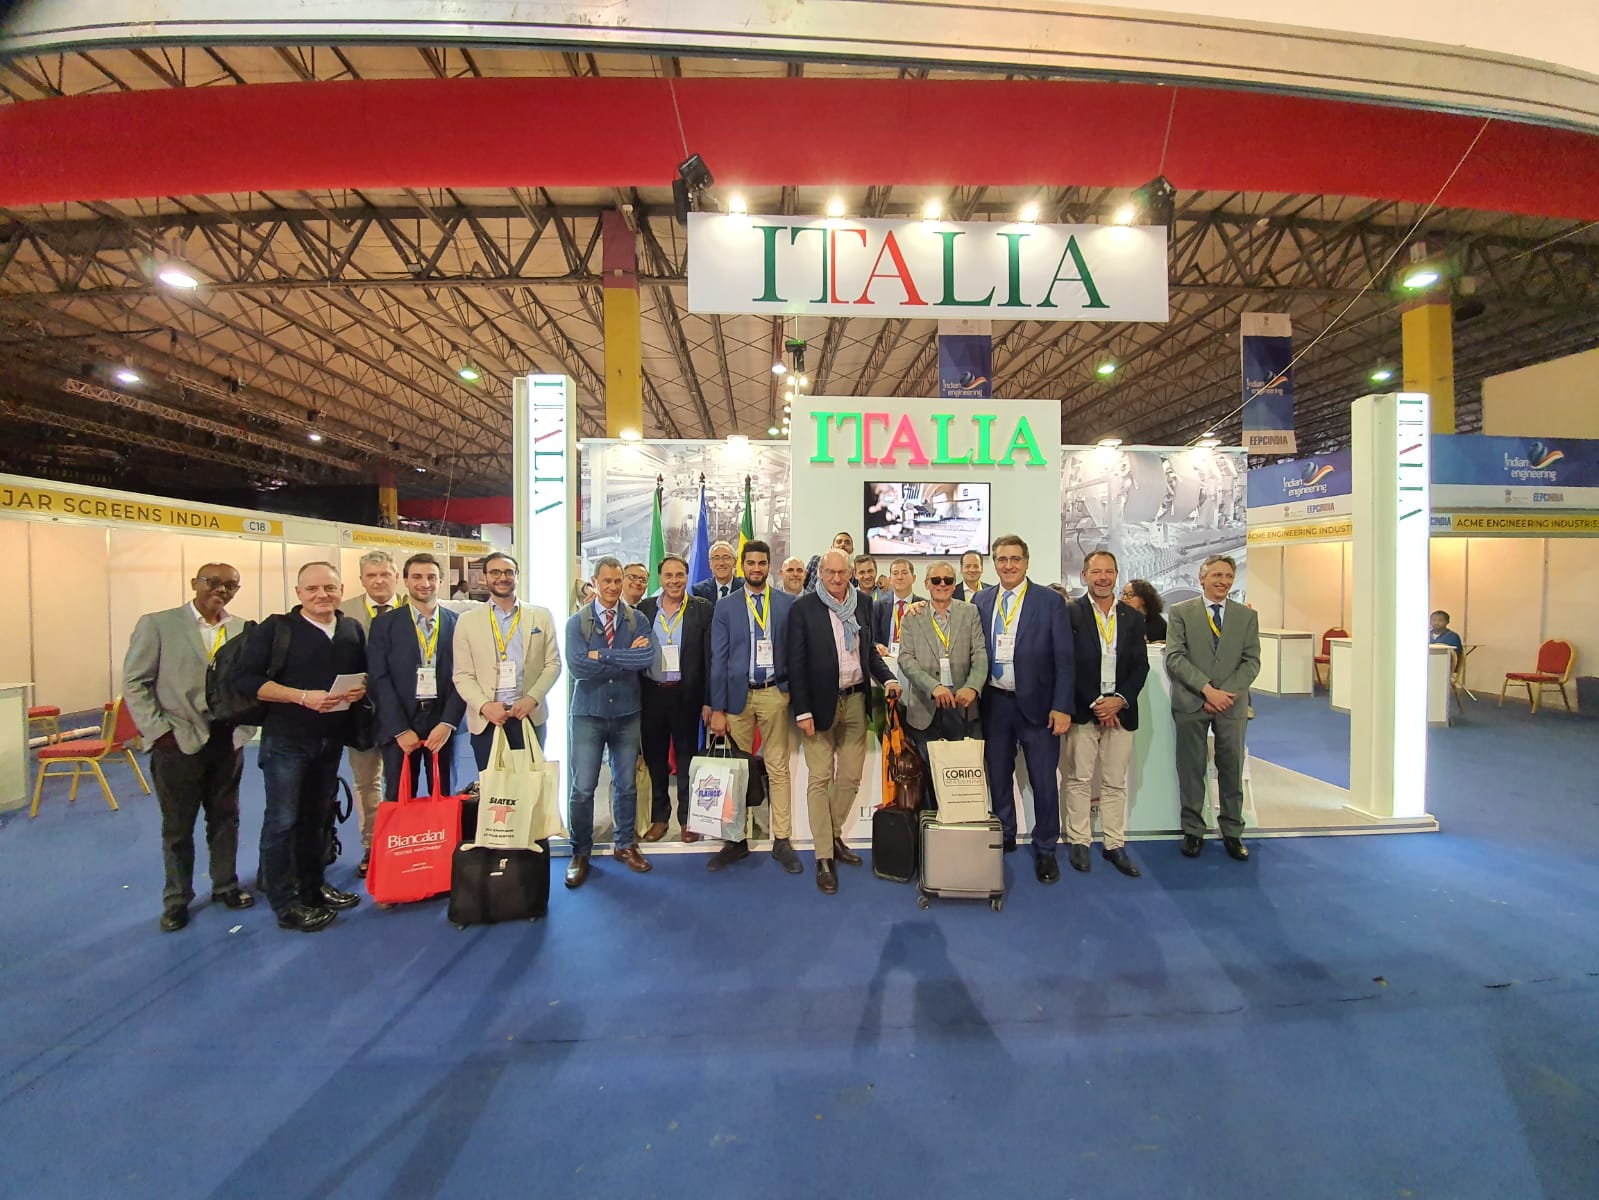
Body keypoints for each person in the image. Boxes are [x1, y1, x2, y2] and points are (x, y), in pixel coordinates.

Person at [234, 561, 368, 932]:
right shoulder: (277, 629)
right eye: (312, 589)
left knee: (318, 817)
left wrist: (361, 689)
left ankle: (313, 887)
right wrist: (302, 697)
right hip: (287, 742)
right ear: (298, 593)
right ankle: (285, 902)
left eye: (329, 587)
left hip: (330, 741)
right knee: (283, 821)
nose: (322, 595)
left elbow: (362, 673)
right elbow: (245, 680)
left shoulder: (351, 629)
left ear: (341, 590)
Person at [122, 563, 255, 933]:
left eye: (230, 585)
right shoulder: (158, 625)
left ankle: (225, 885)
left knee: (226, 819)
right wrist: (158, 731)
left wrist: (243, 729)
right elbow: (135, 682)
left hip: (226, 740)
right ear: (195, 583)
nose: (221, 590)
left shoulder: (243, 629)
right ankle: (177, 898)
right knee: (178, 827)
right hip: (176, 741)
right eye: (213, 582)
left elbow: (251, 683)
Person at [787, 549, 899, 894]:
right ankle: (823, 856)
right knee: (820, 778)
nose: (836, 578)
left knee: (850, 777)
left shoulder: (863, 603)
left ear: (851, 573)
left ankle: (832, 835)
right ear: (820, 573)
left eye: (841, 572)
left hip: (854, 701)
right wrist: (802, 710)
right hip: (818, 706)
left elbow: (868, 654)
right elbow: (795, 663)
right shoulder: (804, 608)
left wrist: (888, 678)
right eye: (830, 572)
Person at [971, 535, 1075, 883]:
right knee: (998, 776)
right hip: (995, 703)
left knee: (1044, 780)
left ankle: (1046, 848)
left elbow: (1065, 659)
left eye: (1015, 559)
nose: (1009, 565)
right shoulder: (981, 600)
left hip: (1039, 707)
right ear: (994, 564)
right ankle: (1004, 834)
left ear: (1026, 562)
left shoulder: (1049, 601)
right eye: (1002, 559)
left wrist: (1062, 706)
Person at [365, 553, 465, 876]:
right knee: (398, 797)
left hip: (441, 725)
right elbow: (378, 679)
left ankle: (442, 867)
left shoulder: (456, 624)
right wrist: (399, 729)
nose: (425, 584)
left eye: (431, 577)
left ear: (440, 581)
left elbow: (463, 677)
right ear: (405, 581)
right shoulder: (385, 625)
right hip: (400, 727)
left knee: (444, 795)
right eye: (418, 577)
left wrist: (447, 723)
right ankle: (395, 870)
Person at [708, 539, 799, 874]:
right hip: (737, 697)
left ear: (769, 566)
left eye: (762, 563)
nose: (756, 569)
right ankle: (736, 840)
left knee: (778, 768)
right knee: (736, 771)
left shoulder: (787, 604)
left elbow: (796, 652)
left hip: (775, 692)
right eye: (751, 563)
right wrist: (717, 708)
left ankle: (782, 839)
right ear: (742, 566)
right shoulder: (726, 606)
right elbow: (718, 659)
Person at [563, 556, 656, 888]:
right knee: (583, 787)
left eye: (618, 581)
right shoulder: (577, 623)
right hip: (588, 714)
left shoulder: (637, 619)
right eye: (607, 581)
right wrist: (624, 657)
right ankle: (580, 852)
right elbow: (578, 667)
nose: (614, 587)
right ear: (595, 582)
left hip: (627, 714)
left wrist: (601, 654)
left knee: (626, 784)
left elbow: (646, 657)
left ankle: (624, 844)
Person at [1165, 554, 1260, 862]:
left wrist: (1225, 693)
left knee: (1231, 767)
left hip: (1231, 704)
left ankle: (1232, 831)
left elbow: (1252, 661)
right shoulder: (1180, 612)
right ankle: (1193, 830)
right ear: (1201, 578)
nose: (1223, 581)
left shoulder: (1246, 617)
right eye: (1216, 575)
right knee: (1191, 768)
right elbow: (1174, 657)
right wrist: (1207, 690)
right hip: (1192, 701)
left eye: (1228, 576)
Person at [1063, 551, 1150, 878]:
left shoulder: (1133, 617)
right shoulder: (1070, 613)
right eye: (1096, 571)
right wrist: (1098, 702)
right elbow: (1067, 664)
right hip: (1084, 710)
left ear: (1116, 574)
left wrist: (1119, 700)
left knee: (1115, 782)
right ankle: (1079, 841)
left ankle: (1114, 843)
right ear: (1084, 575)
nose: (1103, 577)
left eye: (1109, 571)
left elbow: (1140, 666)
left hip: (1121, 712)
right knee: (1079, 779)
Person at [452, 552, 562, 767]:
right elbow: (462, 675)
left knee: (531, 784)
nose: (502, 577)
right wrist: (485, 706)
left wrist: (532, 698)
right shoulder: (467, 621)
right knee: (493, 785)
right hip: (488, 718)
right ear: (485, 577)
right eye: (495, 572)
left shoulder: (541, 616)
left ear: (517, 576)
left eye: (508, 572)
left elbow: (553, 664)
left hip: (528, 715)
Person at [635, 555, 713, 843]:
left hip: (686, 694)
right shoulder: (644, 609)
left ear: (686, 576)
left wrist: (709, 700)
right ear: (660, 579)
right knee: (656, 759)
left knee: (687, 759)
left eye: (679, 575)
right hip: (652, 693)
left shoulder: (702, 609)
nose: (674, 581)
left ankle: (687, 818)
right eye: (668, 576)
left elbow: (710, 658)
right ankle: (659, 818)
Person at [345, 550, 404, 864]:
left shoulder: (414, 609)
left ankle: (402, 841)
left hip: (404, 713)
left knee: (400, 781)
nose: (378, 581)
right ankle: (373, 845)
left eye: (385, 574)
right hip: (360, 714)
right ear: (361, 579)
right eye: (371, 575)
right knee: (366, 782)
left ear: (396, 577)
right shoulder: (343, 612)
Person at [895, 559, 986, 758]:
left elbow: (980, 653)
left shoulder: (970, 612)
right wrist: (933, 687)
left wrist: (972, 687)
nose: (942, 584)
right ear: (927, 584)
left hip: (962, 705)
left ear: (954, 584)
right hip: (924, 709)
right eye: (936, 580)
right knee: (927, 773)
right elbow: (906, 659)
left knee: (961, 770)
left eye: (948, 580)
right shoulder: (912, 616)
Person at [871, 558, 925, 659]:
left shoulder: (923, 606)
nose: (900, 577)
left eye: (904, 573)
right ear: (890, 580)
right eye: (895, 574)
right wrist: (877, 646)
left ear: (913, 578)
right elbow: (871, 639)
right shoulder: (878, 607)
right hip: (886, 660)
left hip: (915, 661)